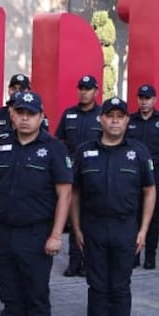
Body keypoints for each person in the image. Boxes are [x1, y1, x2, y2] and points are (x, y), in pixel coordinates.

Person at [0, 91, 72, 316]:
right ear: (12, 114)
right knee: (10, 295)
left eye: (30, 113)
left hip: (36, 234)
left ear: (41, 116)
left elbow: (64, 193)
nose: (24, 118)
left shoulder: (53, 149)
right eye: (20, 112)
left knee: (36, 296)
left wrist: (56, 234)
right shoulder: (1, 144)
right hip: (4, 233)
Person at [70, 97, 155, 316]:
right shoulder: (84, 152)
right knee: (96, 286)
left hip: (124, 228)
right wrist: (77, 228)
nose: (115, 120)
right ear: (101, 119)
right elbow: (74, 193)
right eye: (110, 115)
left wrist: (143, 230)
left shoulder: (138, 152)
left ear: (127, 120)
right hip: (93, 228)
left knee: (120, 287)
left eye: (120, 115)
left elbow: (149, 191)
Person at [56, 75, 102, 277]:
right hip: (72, 175)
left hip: (94, 175)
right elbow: (59, 141)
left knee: (90, 219)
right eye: (81, 88)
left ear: (96, 91)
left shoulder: (103, 115)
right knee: (73, 219)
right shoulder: (69, 114)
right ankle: (74, 261)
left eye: (88, 89)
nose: (84, 92)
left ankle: (88, 262)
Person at [127, 84, 159, 269]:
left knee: (153, 220)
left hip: (155, 178)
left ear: (154, 100)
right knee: (133, 218)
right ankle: (134, 255)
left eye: (147, 98)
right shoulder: (130, 120)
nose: (144, 102)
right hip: (132, 177)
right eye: (141, 98)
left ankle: (150, 256)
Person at [0, 73, 32, 138]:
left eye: (22, 89)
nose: (18, 92)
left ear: (29, 91)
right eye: (14, 88)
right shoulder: (0, 113)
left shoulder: (35, 113)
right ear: (9, 90)